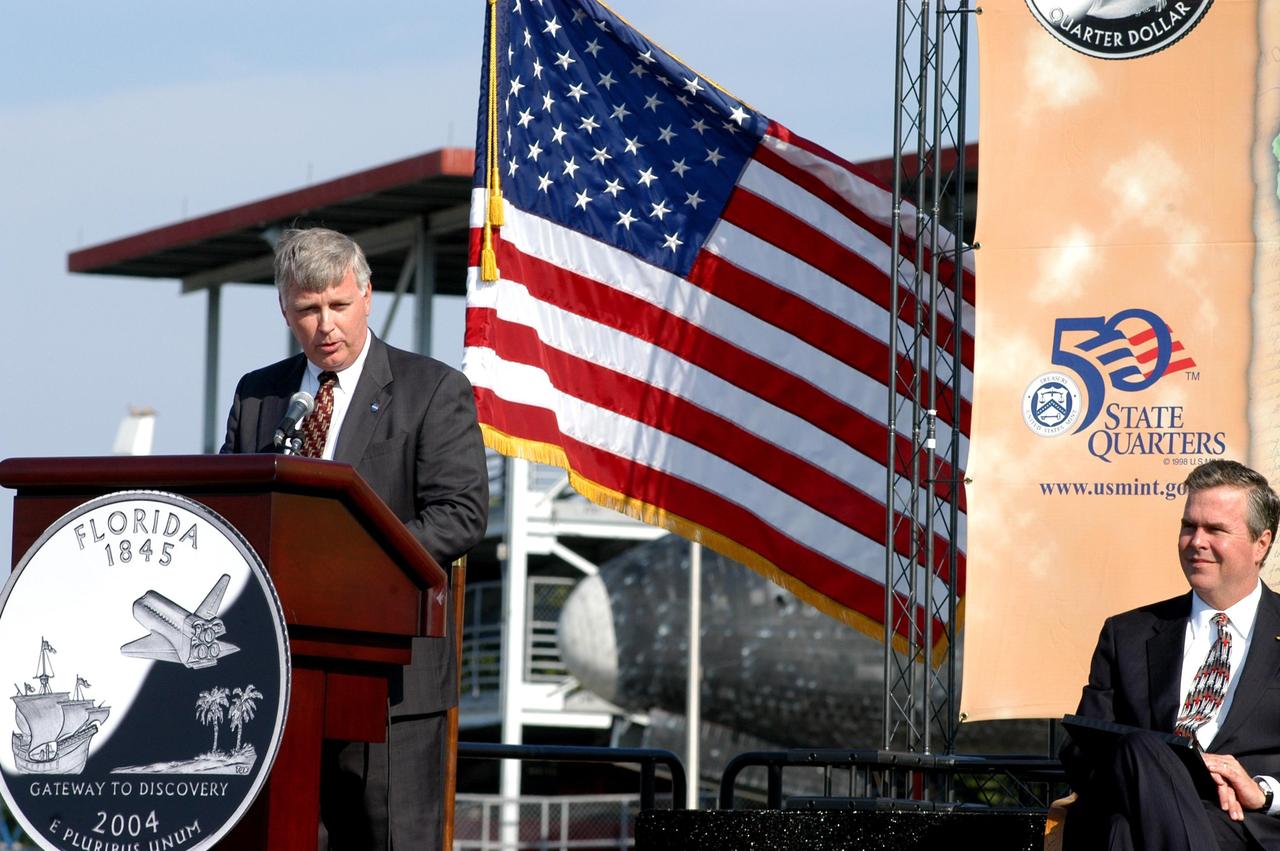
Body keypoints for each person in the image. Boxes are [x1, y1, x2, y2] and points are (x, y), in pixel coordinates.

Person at [221, 227, 488, 850]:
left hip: (392, 685)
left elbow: (460, 513)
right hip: (281, 679)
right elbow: (231, 512)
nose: (326, 326)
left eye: (338, 306)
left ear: (366, 295)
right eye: (308, 310)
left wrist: (351, 572)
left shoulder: (433, 391)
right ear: (285, 311)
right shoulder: (259, 395)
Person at [1062, 459, 1280, 850]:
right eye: (1188, 526)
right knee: (1139, 751)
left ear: (1261, 543)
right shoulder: (1127, 634)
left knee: (1125, 833)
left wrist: (1263, 792)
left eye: (1215, 529)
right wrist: (1167, 769)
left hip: (1246, 829)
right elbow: (1081, 754)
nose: (1196, 541)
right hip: (1133, 812)